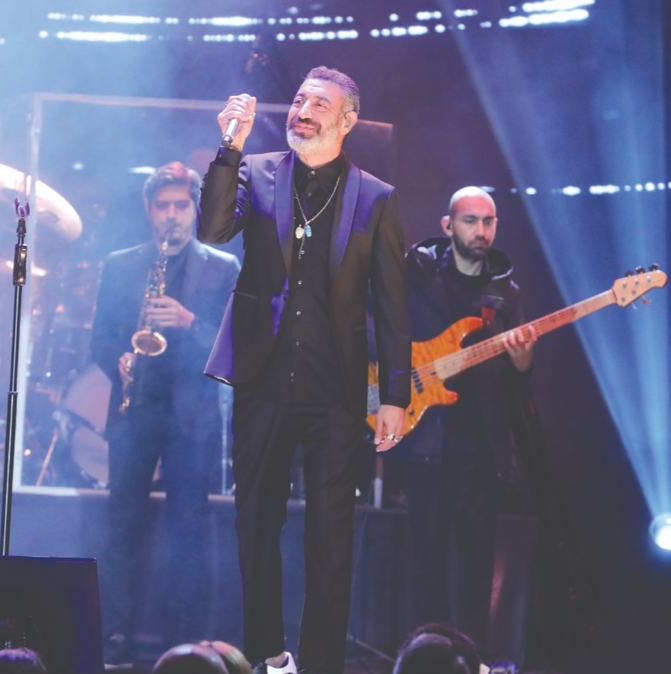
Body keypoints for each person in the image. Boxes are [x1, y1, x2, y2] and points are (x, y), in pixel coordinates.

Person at [200, 66, 411, 674]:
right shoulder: (256, 169)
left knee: (330, 540)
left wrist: (394, 395)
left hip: (336, 389)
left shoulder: (376, 197)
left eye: (319, 103)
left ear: (347, 121)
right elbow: (212, 228)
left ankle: (320, 665)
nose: (303, 110)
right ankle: (267, 659)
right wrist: (230, 147)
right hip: (263, 379)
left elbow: (391, 305)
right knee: (255, 527)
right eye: (298, 100)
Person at [90, 162, 240, 659]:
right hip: (134, 409)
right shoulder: (120, 264)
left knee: (188, 532)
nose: (172, 215)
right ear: (148, 210)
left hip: (192, 418)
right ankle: (114, 637)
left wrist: (190, 321)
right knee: (122, 528)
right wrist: (118, 360)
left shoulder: (223, 267)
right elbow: (100, 338)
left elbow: (238, 344)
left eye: (180, 205)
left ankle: (187, 643)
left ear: (195, 209)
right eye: (162, 206)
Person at [387, 187, 536, 648]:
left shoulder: (505, 293)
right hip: (426, 436)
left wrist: (522, 361)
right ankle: (427, 653)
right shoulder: (416, 274)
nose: (481, 231)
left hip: (479, 444)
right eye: (471, 221)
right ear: (448, 226)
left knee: (476, 560)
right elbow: (376, 326)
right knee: (426, 557)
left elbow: (516, 380)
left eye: (488, 222)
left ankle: (472, 658)